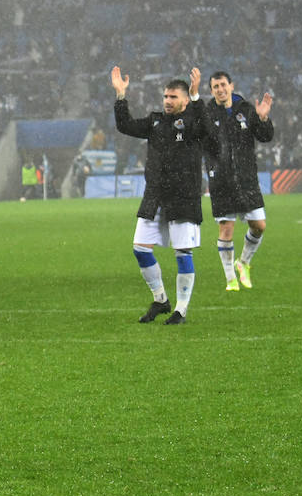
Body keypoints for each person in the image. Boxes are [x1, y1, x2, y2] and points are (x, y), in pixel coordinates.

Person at [112, 65, 215, 325]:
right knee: (139, 248)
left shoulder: (192, 122)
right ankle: (161, 300)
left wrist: (196, 98)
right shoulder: (155, 121)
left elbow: (208, 131)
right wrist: (121, 96)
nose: (167, 101)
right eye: (165, 97)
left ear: (183, 98)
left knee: (183, 252)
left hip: (184, 196)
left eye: (173, 97)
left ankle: (180, 310)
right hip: (155, 196)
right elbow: (125, 126)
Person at [205, 71, 274, 291]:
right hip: (221, 181)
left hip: (246, 180)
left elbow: (265, 136)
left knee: (259, 226)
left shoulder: (245, 110)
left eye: (223, 85)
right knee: (226, 230)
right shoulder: (207, 114)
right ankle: (230, 279)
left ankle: (243, 263)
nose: (220, 89)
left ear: (231, 86)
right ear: (211, 90)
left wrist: (262, 118)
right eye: (215, 86)